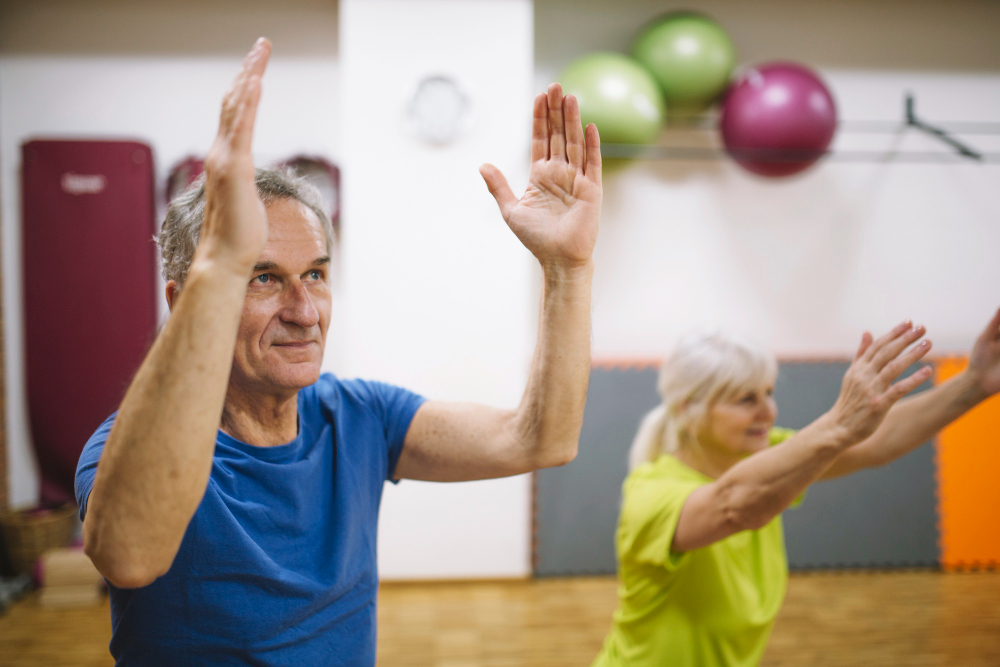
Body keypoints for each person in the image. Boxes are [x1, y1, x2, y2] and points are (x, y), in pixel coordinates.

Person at [75, 38, 602, 665]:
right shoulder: (124, 452)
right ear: (186, 294)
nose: (304, 311)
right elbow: (130, 556)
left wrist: (567, 268)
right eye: (263, 277)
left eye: (317, 275)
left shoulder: (358, 417)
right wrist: (220, 261)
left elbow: (540, 440)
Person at [593, 314, 1000, 667]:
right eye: (744, 399)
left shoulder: (768, 457)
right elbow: (735, 505)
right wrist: (837, 425)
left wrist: (974, 384)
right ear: (687, 411)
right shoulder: (651, 493)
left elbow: (876, 441)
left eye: (768, 393)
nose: (767, 410)